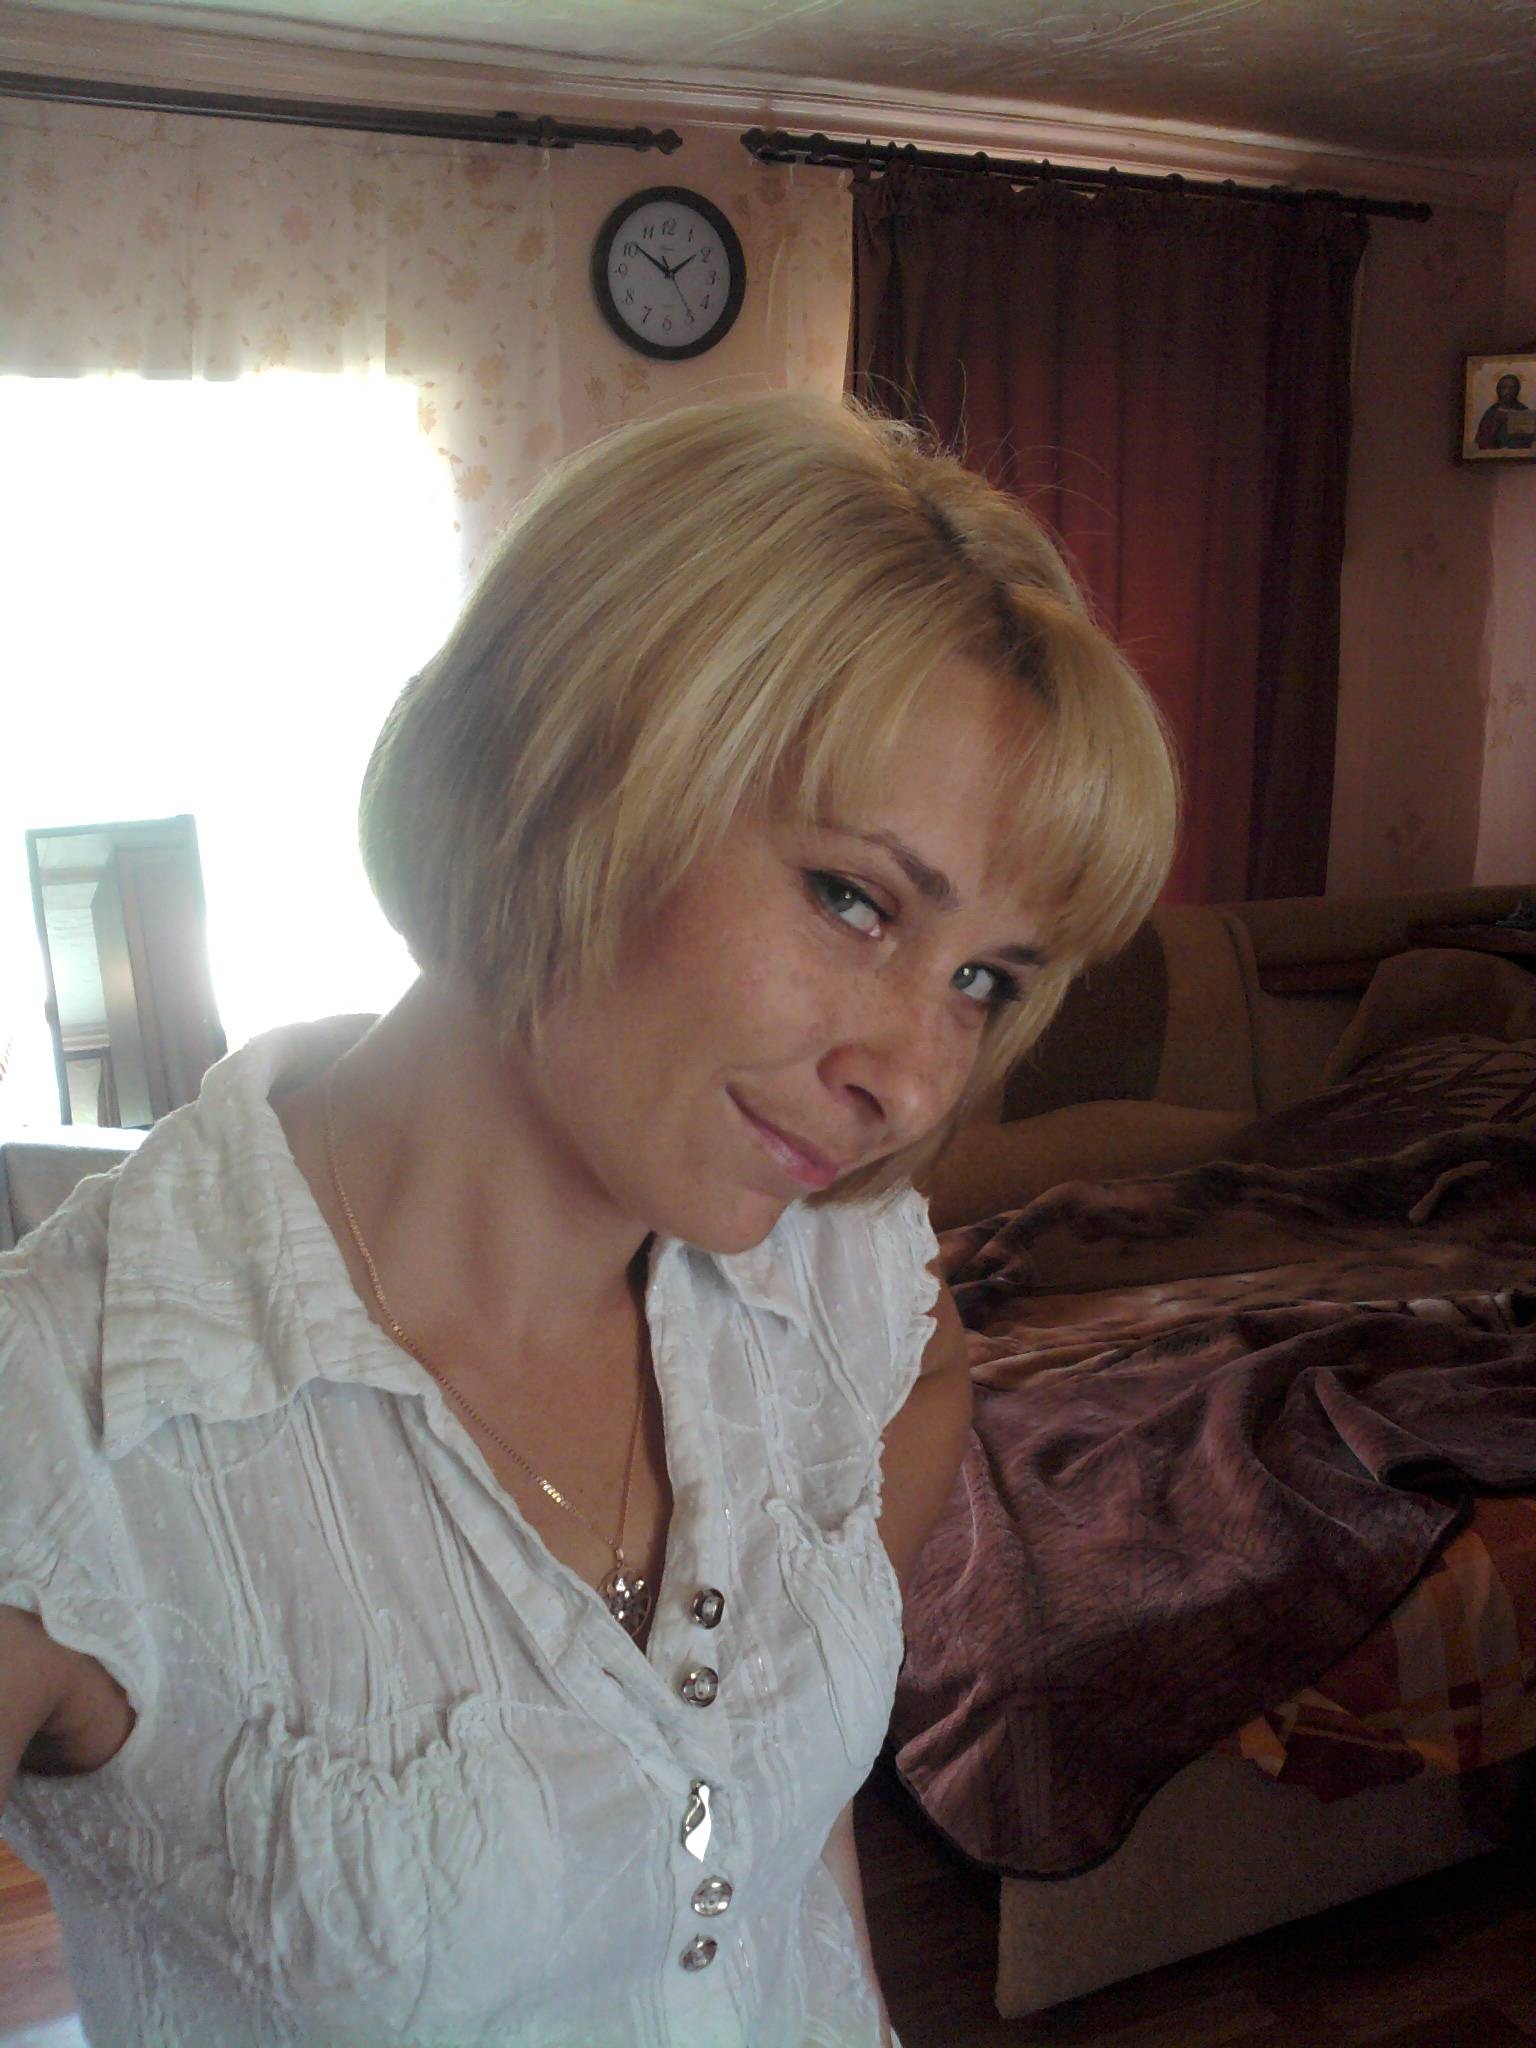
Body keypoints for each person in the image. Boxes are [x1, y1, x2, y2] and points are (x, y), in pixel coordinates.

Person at [0, 392, 1176, 2048]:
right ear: (561, 767)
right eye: (854, 899)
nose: (915, 1080)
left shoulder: (848, 1291)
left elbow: (759, 1835)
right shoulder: (69, 1432)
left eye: (983, 978)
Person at [1475, 371, 1536, 451]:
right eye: (1504, 388)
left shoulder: (1523, 410)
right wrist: (1496, 424)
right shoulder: (1491, 412)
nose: (1508, 391)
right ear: (1498, 390)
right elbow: (1481, 441)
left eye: (1512, 388)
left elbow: (1530, 440)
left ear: (1517, 390)